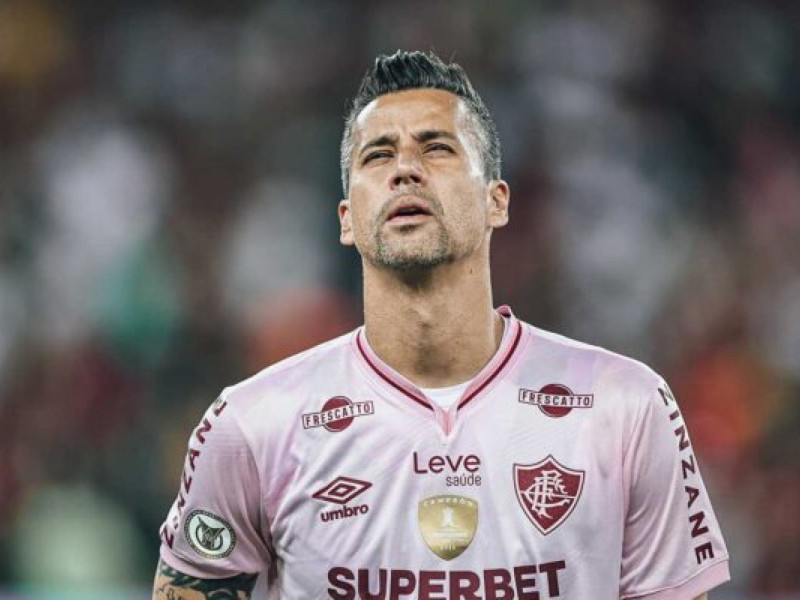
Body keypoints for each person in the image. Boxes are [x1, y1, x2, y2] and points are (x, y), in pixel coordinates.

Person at [153, 50, 730, 599]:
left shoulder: (625, 407)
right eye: (378, 155)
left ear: (496, 201)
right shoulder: (254, 425)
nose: (405, 169)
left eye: (436, 148)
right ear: (347, 220)